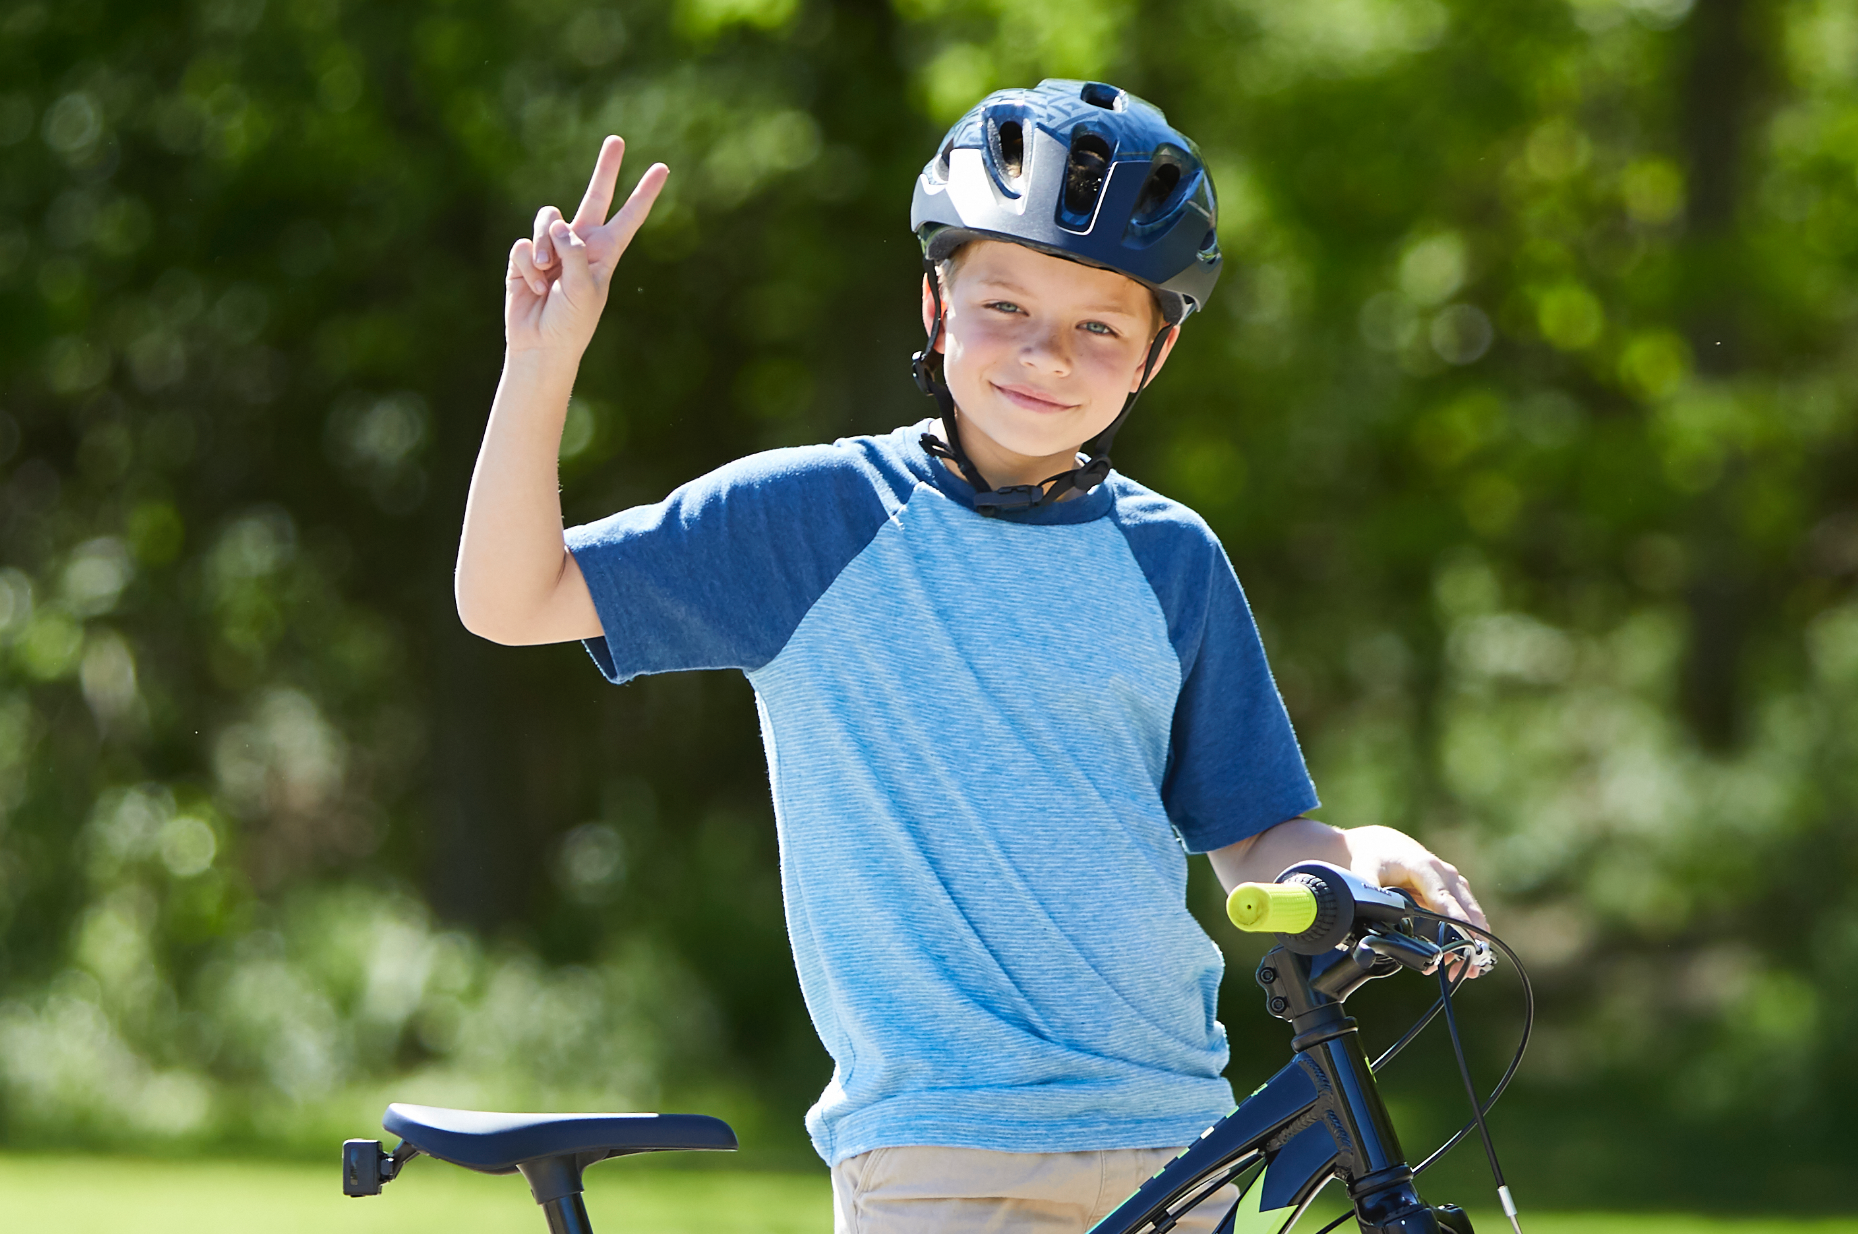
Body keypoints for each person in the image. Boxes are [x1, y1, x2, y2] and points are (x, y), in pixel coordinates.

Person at [454, 81, 1488, 1234]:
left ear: (1154, 352)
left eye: (1099, 326)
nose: (1046, 355)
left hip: (1175, 1140)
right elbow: (511, 598)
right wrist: (542, 358)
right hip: (942, 1149)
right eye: (1005, 305)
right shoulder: (814, 520)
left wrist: (1348, 854)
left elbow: (1250, 840)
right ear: (935, 303)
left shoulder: (1171, 560)